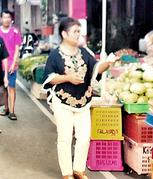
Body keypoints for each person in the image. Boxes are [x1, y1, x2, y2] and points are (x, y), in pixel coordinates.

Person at [42, 17, 117, 179]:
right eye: (75, 31)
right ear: (64, 34)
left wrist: (109, 62)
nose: (78, 35)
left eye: (79, 31)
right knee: (65, 137)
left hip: (83, 101)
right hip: (62, 101)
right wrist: (67, 78)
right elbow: (48, 78)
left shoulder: (84, 52)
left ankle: (78, 170)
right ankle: (67, 173)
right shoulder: (55, 55)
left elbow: (96, 69)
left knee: (84, 136)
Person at [0, 11, 21, 120]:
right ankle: (6, 108)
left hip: (11, 65)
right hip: (0, 66)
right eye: (4, 17)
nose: (7, 19)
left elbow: (17, 48)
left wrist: (14, 63)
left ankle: (12, 112)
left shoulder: (15, 32)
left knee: (11, 87)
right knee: (3, 89)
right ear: (1, 19)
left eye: (9, 17)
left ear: (11, 19)